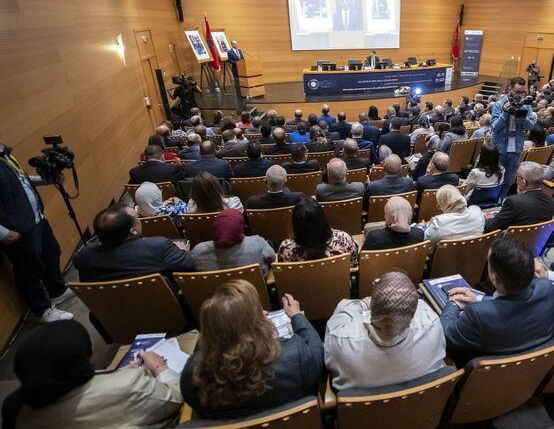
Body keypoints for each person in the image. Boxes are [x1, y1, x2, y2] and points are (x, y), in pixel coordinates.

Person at [2, 320, 183, 428]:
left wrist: (117, 374)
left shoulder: (14, 409)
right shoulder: (128, 386)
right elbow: (176, 397)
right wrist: (159, 367)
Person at [181, 281, 323, 419]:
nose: (264, 312)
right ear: (252, 327)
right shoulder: (296, 357)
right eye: (257, 312)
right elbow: (317, 351)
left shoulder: (192, 377)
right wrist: (297, 316)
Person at [439, 237, 554, 364]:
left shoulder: (478, 316)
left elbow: (446, 337)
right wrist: (479, 299)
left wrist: (453, 303)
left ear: (494, 277)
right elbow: (514, 302)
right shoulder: (547, 289)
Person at [325, 271, 445, 390]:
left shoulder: (339, 340)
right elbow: (419, 305)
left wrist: (363, 303)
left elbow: (341, 313)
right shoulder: (433, 325)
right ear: (413, 315)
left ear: (371, 309)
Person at [0, 141, 72, 322]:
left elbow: (21, 180)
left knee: (51, 252)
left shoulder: (5, 155)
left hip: (35, 217)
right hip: (16, 228)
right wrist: (2, 233)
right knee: (29, 270)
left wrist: (47, 180)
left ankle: (57, 291)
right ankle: (42, 311)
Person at [74, 204, 193, 282]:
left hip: (109, 315)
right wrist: (181, 251)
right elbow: (188, 265)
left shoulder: (83, 257)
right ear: (134, 230)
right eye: (137, 217)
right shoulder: (159, 247)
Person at [190, 209, 275, 274]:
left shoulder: (198, 252)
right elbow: (272, 258)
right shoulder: (257, 243)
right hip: (253, 294)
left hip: (214, 296)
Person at [278, 197, 358, 264]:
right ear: (323, 218)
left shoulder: (285, 249)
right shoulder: (344, 239)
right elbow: (353, 264)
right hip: (337, 282)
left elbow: (284, 276)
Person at [491, 77, 535, 199]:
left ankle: (501, 201)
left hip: (515, 150)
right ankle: (492, 201)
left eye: (522, 92)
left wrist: (522, 115)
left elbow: (531, 125)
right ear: (510, 89)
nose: (519, 95)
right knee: (495, 179)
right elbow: (494, 128)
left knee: (509, 181)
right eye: (517, 92)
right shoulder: (499, 105)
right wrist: (504, 114)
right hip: (499, 150)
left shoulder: (526, 106)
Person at [484, 161, 554, 232]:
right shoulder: (550, 201)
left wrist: (489, 219)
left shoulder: (513, 202)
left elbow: (490, 228)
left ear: (523, 182)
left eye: (517, 176)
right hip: (536, 241)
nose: (516, 179)